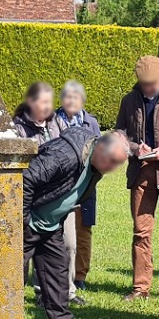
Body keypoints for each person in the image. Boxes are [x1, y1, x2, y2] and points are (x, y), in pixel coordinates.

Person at [22, 129, 129, 319]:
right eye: (112, 161)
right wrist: (23, 221)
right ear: (99, 148)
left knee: (58, 270)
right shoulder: (64, 155)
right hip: (27, 224)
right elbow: (25, 180)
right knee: (10, 275)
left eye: (118, 164)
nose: (112, 169)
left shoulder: (96, 166)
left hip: (50, 226)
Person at [114, 56, 159, 302]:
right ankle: (140, 287)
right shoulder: (129, 101)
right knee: (141, 231)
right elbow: (119, 134)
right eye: (144, 84)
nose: (148, 88)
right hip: (141, 172)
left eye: (153, 84)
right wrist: (135, 148)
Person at [55, 81, 100, 301]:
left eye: (75, 98)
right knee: (62, 235)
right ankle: (59, 279)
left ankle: (80, 275)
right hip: (60, 186)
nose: (71, 101)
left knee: (84, 229)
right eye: (67, 97)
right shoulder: (53, 121)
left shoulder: (91, 122)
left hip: (86, 184)